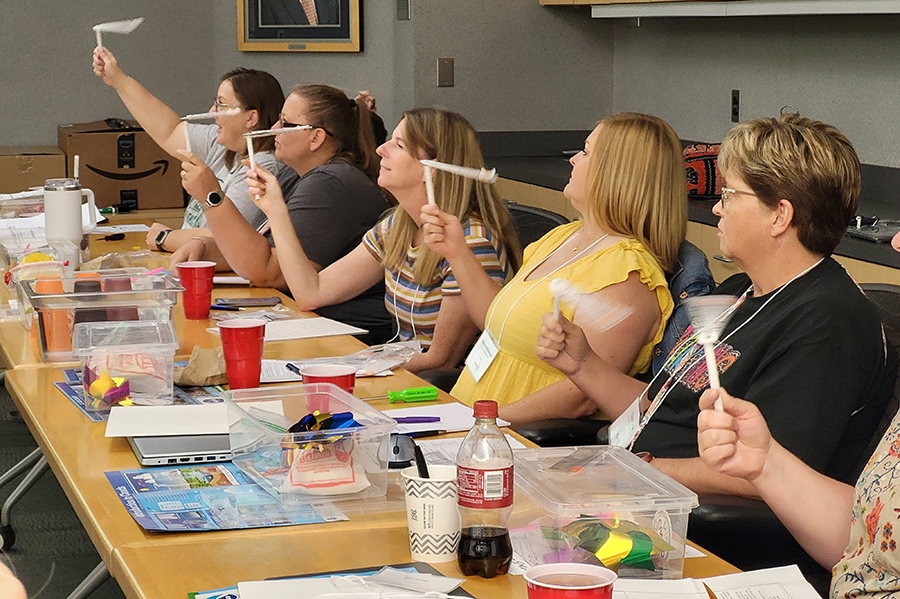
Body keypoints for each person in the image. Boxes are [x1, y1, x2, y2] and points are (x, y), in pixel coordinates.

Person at [536, 114, 897, 496]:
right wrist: (584, 365)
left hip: (706, 525)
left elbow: (768, 473)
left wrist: (634, 470)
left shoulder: (827, 320)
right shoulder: (741, 290)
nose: (716, 209)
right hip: (639, 486)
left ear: (779, 215)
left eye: (730, 195)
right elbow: (661, 406)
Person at [421, 112, 685, 424]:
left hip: (516, 442)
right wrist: (457, 253)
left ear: (616, 172)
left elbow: (581, 397)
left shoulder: (627, 275)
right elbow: (499, 323)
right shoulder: (562, 237)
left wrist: (483, 423)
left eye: (586, 152)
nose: (573, 159)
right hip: (472, 422)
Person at [245, 107, 520, 373]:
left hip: (441, 393)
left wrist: (348, 367)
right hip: (398, 374)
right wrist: (276, 210)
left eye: (399, 145)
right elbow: (310, 293)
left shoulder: (470, 240)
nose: (380, 149)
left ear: (432, 168)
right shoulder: (396, 226)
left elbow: (440, 361)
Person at [169, 84, 393, 338]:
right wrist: (204, 247)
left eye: (285, 123)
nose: (274, 128)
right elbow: (257, 246)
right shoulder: (295, 173)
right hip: (311, 321)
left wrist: (212, 197)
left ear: (316, 138)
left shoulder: (331, 183)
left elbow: (269, 271)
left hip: (347, 334)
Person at [92, 48, 284, 254]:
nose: (212, 112)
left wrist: (165, 237)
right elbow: (169, 130)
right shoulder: (222, 143)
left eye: (221, 104)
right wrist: (119, 80)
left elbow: (224, 237)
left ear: (251, 118)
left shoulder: (262, 166)